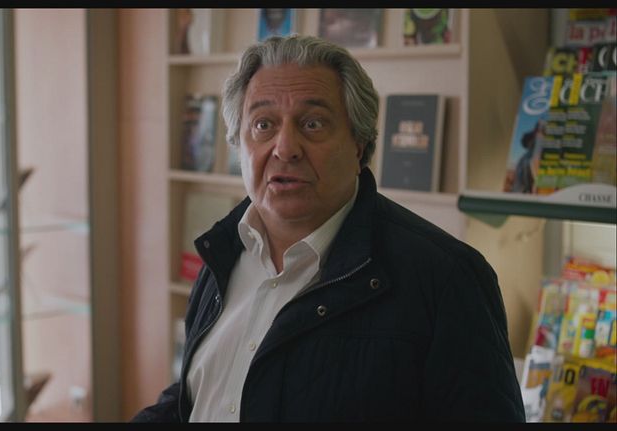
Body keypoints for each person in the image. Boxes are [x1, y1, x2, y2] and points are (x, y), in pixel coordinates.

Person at [132, 34, 525, 422]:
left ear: (359, 144)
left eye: (313, 124)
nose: (285, 148)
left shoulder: (448, 279)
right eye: (263, 124)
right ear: (239, 143)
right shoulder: (222, 251)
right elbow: (199, 395)